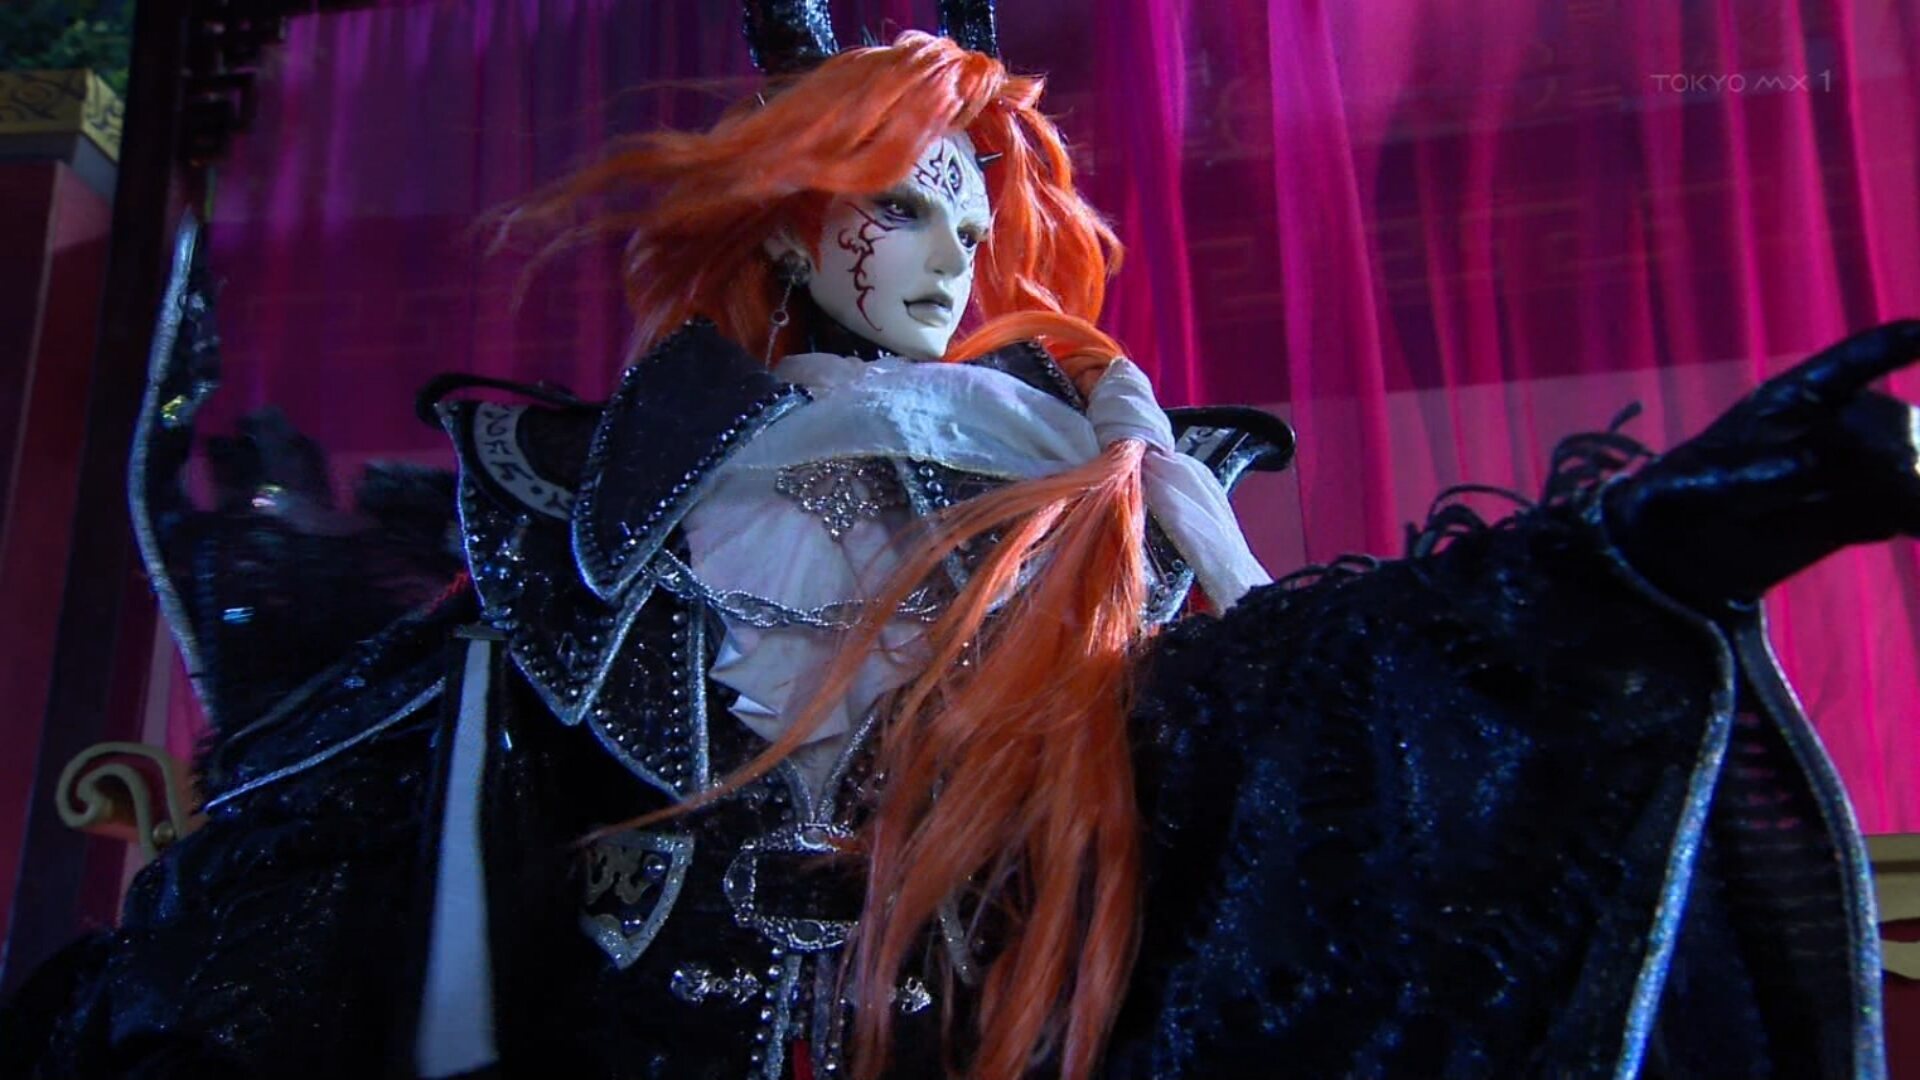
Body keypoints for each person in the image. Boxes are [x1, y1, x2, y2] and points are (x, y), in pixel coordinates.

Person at [5, 12, 1919, 1080]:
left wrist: (1672, 540)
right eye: (901, 204)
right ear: (787, 217)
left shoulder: (1075, 464)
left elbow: (1286, 735)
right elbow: (429, 800)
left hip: (978, 1022)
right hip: (634, 1021)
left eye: (971, 214)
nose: (948, 252)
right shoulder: (589, 481)